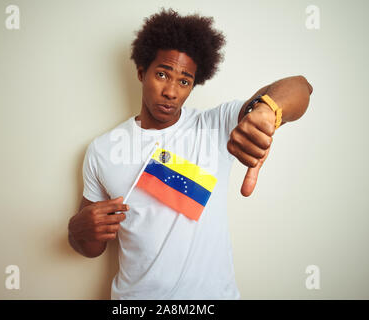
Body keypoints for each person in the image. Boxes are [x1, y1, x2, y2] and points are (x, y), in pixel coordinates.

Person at [68, 8, 313, 299]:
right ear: (141, 72)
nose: (171, 91)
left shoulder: (216, 125)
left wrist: (266, 110)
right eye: (162, 74)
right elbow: (91, 248)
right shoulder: (103, 150)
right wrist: (76, 230)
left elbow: (301, 87)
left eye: (184, 81)